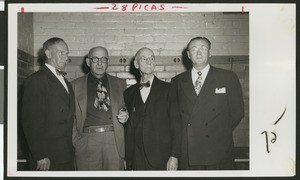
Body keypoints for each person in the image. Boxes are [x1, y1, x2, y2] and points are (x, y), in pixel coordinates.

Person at [171, 37, 244, 170]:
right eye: (194, 49)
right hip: (188, 151)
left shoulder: (228, 77)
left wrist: (218, 132)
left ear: (210, 53)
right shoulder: (177, 81)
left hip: (218, 149)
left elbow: (237, 112)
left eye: (203, 48)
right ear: (188, 55)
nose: (199, 52)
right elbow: (175, 120)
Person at [71, 46, 128, 170]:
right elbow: (71, 117)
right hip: (87, 141)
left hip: (114, 140)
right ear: (88, 62)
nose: (100, 63)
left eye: (103, 59)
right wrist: (77, 143)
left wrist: (125, 114)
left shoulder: (120, 83)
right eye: (95, 59)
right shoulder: (75, 85)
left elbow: (125, 107)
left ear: (108, 62)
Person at [124, 47, 182, 170]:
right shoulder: (129, 93)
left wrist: (174, 156)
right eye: (144, 59)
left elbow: (177, 126)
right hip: (137, 158)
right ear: (136, 64)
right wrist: (127, 158)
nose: (149, 62)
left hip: (162, 158)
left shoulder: (169, 89)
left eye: (152, 58)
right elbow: (129, 127)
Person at [22, 37, 75, 171]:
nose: (66, 57)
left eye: (67, 53)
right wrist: (40, 155)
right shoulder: (36, 81)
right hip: (47, 158)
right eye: (61, 53)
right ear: (48, 53)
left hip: (65, 154)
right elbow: (30, 121)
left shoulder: (66, 82)